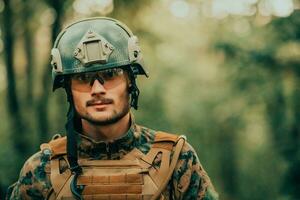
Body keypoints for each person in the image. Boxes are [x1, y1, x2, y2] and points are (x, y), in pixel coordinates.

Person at [6, 17, 219, 200]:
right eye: (83, 78)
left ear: (130, 82)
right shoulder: (40, 169)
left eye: (110, 74)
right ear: (69, 89)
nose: (97, 89)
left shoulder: (176, 160)